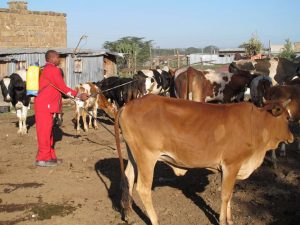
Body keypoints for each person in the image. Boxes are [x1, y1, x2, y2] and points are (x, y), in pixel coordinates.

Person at [34, 50, 88, 167]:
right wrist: (78, 95)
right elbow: (63, 88)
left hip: (47, 106)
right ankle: (42, 159)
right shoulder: (53, 70)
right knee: (44, 133)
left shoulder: (48, 69)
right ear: (51, 58)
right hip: (44, 105)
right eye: (58, 57)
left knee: (49, 132)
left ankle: (50, 157)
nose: (59, 60)